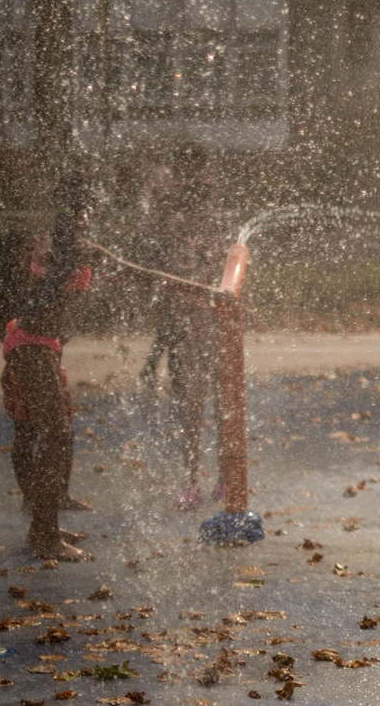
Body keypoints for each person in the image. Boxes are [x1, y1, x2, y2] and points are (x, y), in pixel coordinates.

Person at [0, 171, 98, 561]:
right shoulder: (66, 239)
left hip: (43, 344)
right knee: (53, 433)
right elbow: (54, 285)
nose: (91, 212)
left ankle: (47, 523)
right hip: (31, 343)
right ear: (75, 206)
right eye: (86, 204)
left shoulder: (69, 240)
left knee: (57, 433)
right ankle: (43, 534)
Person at [135, 140, 226, 510]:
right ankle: (195, 479)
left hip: (211, 319)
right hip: (194, 319)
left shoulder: (206, 225)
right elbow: (169, 271)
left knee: (217, 400)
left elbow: (226, 269)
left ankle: (219, 477)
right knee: (196, 400)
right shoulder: (176, 227)